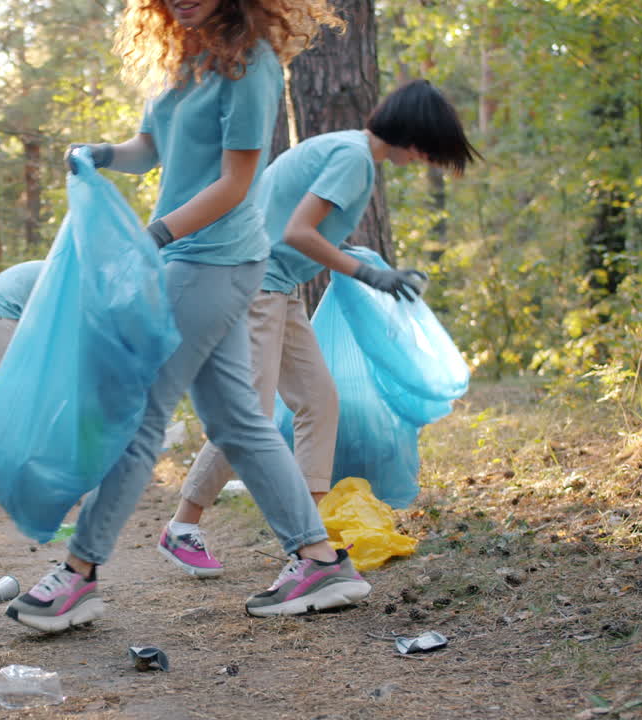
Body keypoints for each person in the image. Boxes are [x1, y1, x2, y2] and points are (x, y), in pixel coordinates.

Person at [4, 0, 362, 632]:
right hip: (187, 256)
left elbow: (233, 185)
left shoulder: (252, 66)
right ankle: (319, 558)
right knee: (238, 420)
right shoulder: (180, 59)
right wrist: (102, 153)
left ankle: (79, 575)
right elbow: (150, 149)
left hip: (215, 260)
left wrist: (156, 235)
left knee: (140, 414)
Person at [157, 78, 481, 579]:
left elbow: (294, 226)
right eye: (427, 150)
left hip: (277, 285)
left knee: (319, 400)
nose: (422, 160)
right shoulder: (353, 159)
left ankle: (313, 535)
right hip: (254, 282)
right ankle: (183, 526)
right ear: (413, 135)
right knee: (251, 417)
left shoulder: (345, 150)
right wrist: (371, 273)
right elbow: (298, 231)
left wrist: (357, 259)